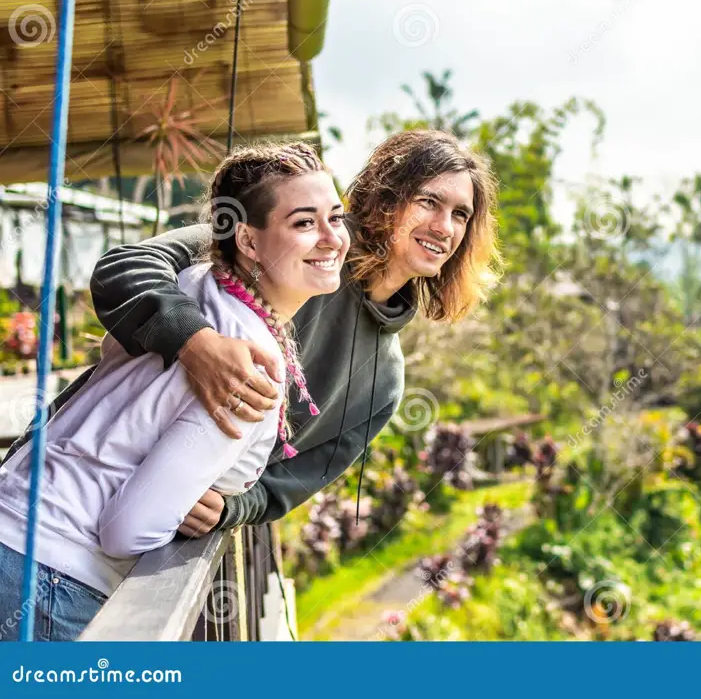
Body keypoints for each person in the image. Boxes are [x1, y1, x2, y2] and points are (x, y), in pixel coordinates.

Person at [5, 129, 501, 543]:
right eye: (429, 202)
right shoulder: (292, 247)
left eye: (461, 214)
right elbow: (127, 266)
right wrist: (196, 343)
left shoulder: (386, 379)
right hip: (50, 492)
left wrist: (231, 507)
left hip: (127, 539)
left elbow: (292, 481)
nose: (444, 226)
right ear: (386, 198)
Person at [0, 141, 349, 640]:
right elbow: (129, 530)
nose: (331, 238)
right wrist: (180, 504)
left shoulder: (192, 282)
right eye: (303, 223)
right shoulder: (250, 368)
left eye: (335, 217)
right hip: (54, 576)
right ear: (249, 242)